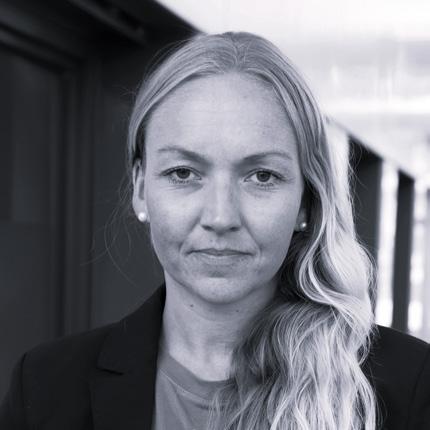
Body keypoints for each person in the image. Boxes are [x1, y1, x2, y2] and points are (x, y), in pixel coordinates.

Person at [1, 32, 429, 430]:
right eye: (183, 173)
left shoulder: (408, 387)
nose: (221, 217)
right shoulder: (44, 386)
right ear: (140, 188)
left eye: (261, 176)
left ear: (305, 201)